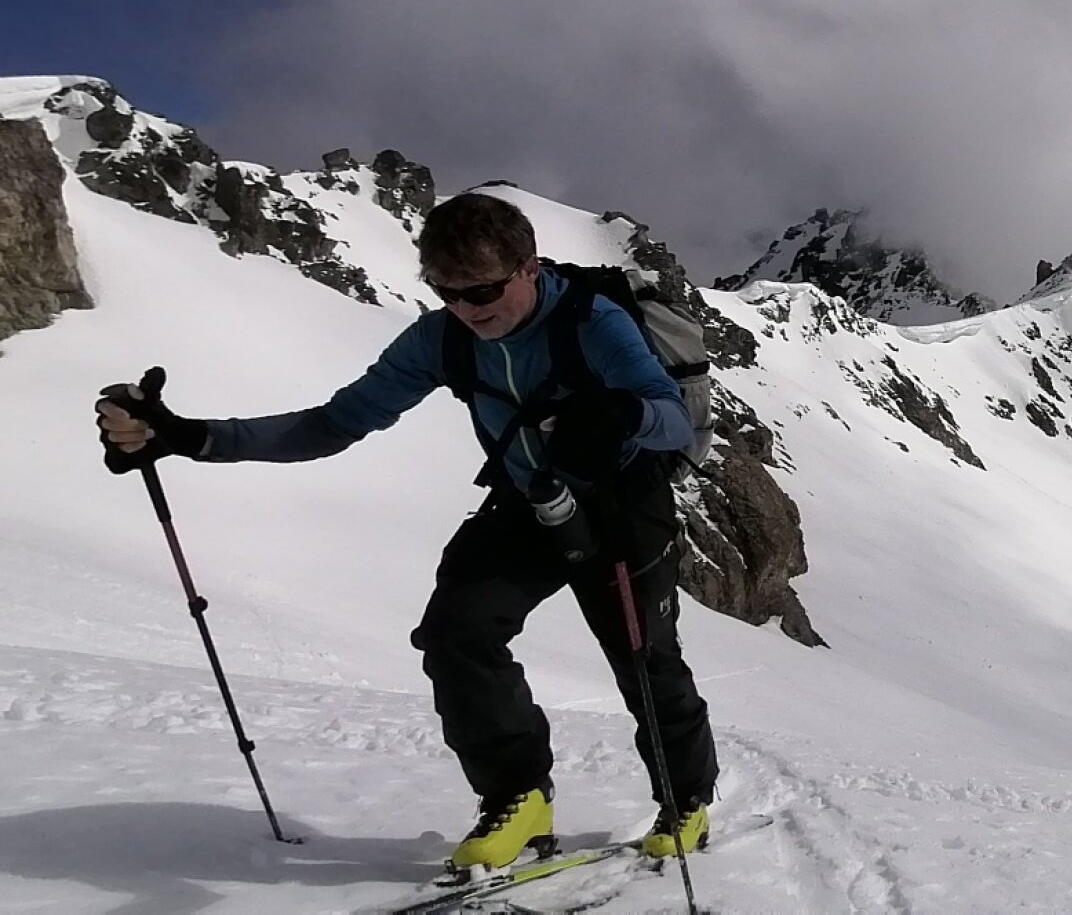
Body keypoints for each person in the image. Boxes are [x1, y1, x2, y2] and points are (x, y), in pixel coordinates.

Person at [93, 192, 720, 871]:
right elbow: (334, 423)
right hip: (529, 503)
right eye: (447, 293)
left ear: (528, 267)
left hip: (623, 504)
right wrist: (191, 437)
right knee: (457, 633)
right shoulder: (441, 339)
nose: (468, 309)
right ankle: (518, 796)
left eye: (482, 290)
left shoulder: (594, 322)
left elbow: (672, 420)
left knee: (643, 655)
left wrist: (624, 415)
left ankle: (685, 798)